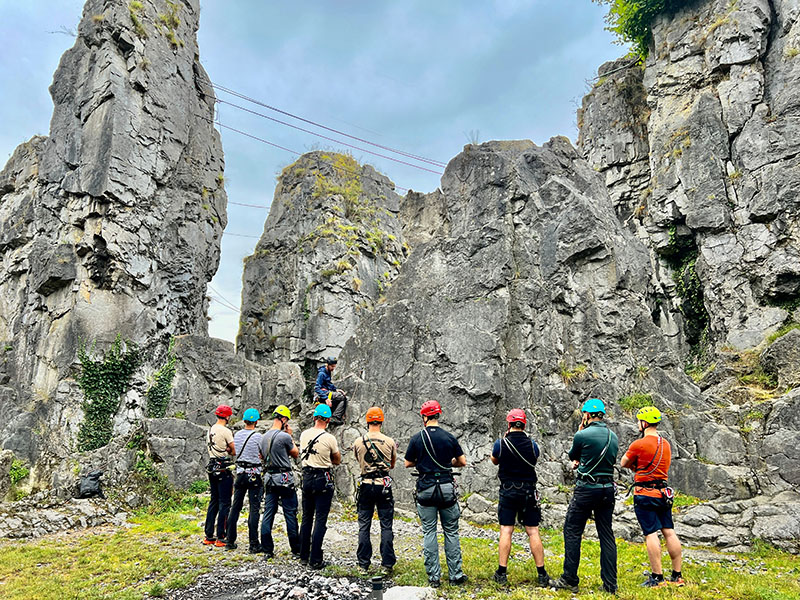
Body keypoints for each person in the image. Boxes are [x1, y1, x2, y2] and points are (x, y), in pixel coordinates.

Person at [551, 398, 619, 594]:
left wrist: (581, 430)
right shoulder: (612, 436)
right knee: (606, 534)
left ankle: (569, 578)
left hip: (586, 489)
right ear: (602, 415)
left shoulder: (582, 435)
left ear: (587, 415)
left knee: (572, 530)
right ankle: (610, 585)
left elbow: (575, 456)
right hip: (607, 488)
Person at [404, 400, 468, 588]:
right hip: (447, 488)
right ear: (438, 415)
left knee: (429, 531)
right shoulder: (449, 437)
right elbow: (461, 462)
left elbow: (408, 463)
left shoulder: (417, 438)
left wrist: (423, 463)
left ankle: (434, 577)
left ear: (424, 417)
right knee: (451, 532)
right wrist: (449, 464)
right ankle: (456, 575)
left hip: (426, 488)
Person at [621, 406, 684, 587]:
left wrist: (637, 467)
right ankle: (677, 575)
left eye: (638, 420)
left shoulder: (638, 444)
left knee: (651, 534)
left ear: (644, 422)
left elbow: (624, 462)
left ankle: (657, 577)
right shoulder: (665, 444)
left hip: (645, 493)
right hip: (663, 493)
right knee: (668, 530)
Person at [490, 409, 550, 586]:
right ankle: (541, 574)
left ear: (509, 424)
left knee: (506, 530)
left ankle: (502, 573)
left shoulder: (500, 444)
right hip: (528, 491)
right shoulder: (533, 445)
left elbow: (495, 460)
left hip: (508, 491)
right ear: (524, 424)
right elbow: (535, 459)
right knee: (533, 531)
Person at [352, 406, 397, 574]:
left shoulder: (358, 441)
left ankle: (363, 564)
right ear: (382, 420)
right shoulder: (390, 441)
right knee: (386, 525)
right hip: (383, 485)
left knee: (364, 525)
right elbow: (391, 464)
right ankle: (387, 564)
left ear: (367, 421)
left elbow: (359, 460)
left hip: (365, 485)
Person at [298, 403, 341, 569]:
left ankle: (303, 555)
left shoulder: (303, 435)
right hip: (323, 477)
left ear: (314, 417)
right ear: (328, 420)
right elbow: (336, 459)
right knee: (320, 519)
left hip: (307, 476)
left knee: (307, 517)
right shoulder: (329, 438)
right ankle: (315, 558)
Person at [259, 405, 301, 559]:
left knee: (268, 513)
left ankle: (267, 550)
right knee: (290, 513)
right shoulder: (284, 437)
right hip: (284, 479)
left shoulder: (262, 437)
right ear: (283, 419)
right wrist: (290, 435)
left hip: (269, 478)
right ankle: (296, 549)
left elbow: (261, 457)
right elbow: (295, 454)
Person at [225, 408, 264, 552]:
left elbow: (234, 451)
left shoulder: (237, 435)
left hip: (240, 473)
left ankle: (230, 541)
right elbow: (263, 454)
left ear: (244, 420)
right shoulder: (259, 436)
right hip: (254, 474)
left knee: (235, 507)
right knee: (254, 509)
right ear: (256, 421)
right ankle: (254, 544)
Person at [203, 404, 235, 547]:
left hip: (212, 466)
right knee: (225, 502)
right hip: (223, 467)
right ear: (227, 416)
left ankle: (209, 535)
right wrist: (228, 449)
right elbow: (233, 450)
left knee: (214, 500)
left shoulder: (209, 430)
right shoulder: (226, 431)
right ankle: (221, 536)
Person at [314, 356, 347, 425]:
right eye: (332, 366)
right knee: (342, 398)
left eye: (334, 366)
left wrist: (336, 390)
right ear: (327, 365)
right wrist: (326, 398)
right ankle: (335, 417)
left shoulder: (327, 371)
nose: (333, 368)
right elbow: (317, 388)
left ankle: (333, 414)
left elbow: (328, 383)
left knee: (340, 396)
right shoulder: (321, 374)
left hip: (327, 392)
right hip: (322, 394)